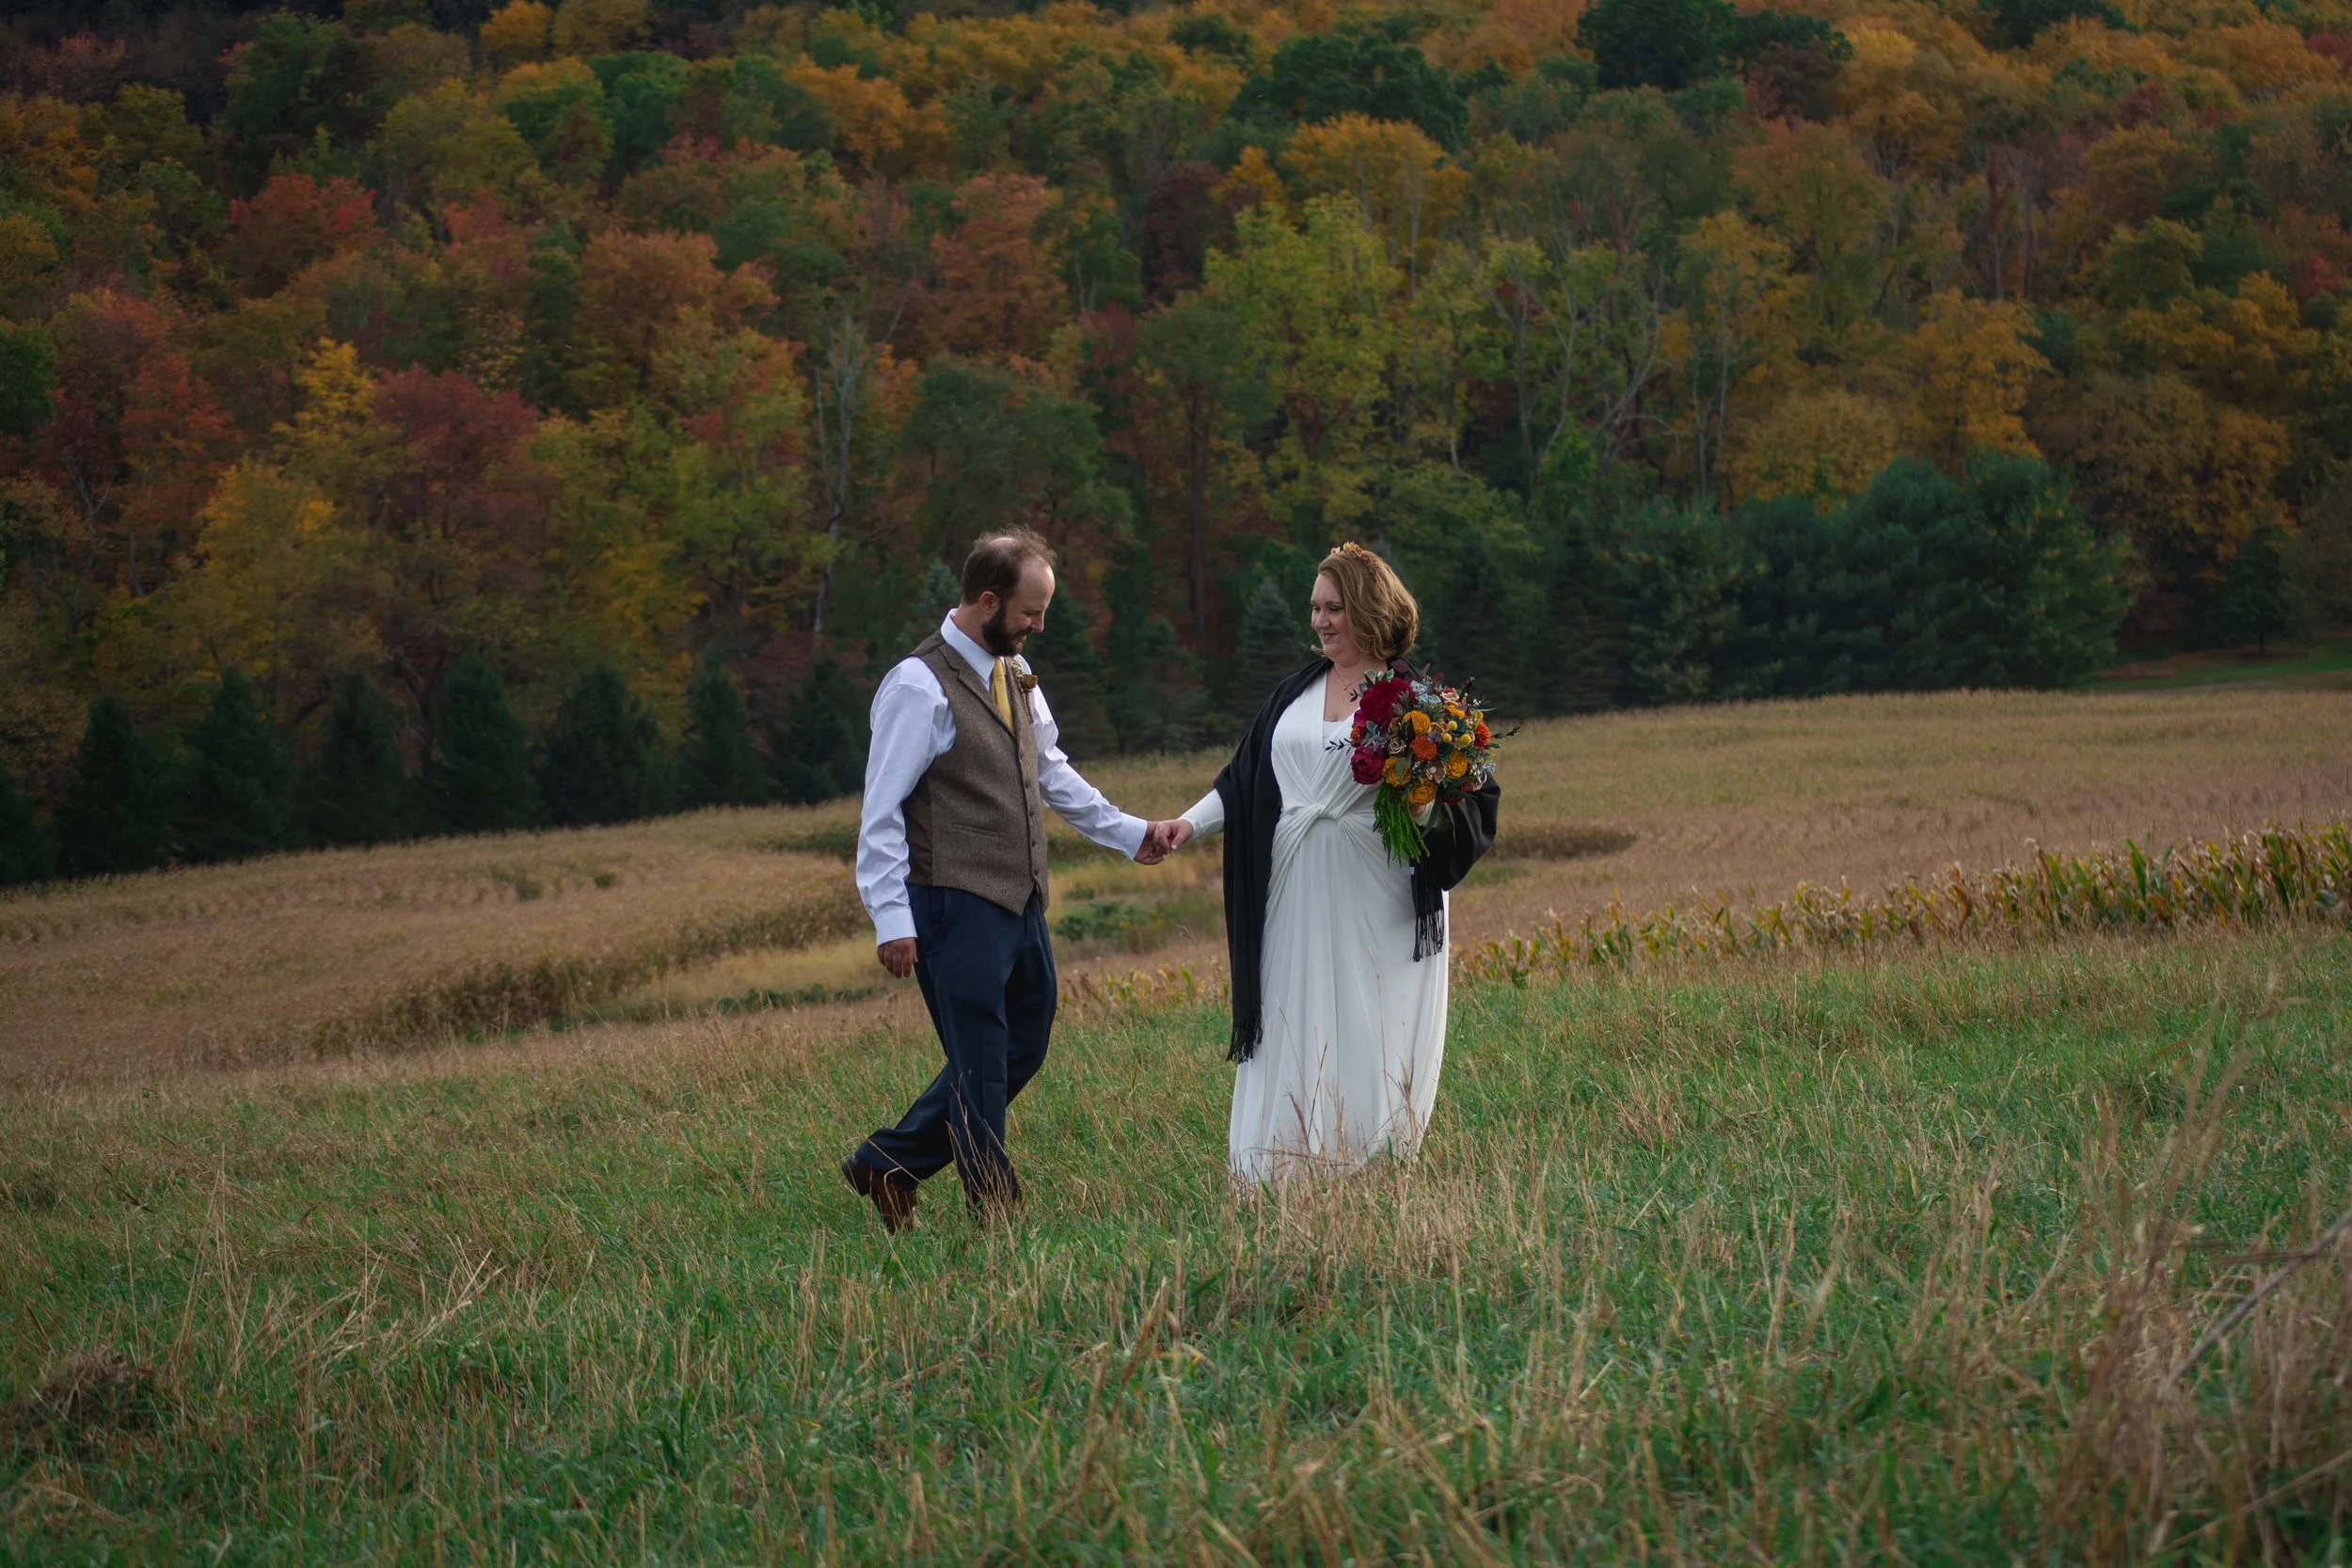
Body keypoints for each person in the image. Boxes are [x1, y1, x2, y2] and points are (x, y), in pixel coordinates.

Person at [843, 530, 1185, 1231]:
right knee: (980, 1063)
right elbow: (879, 813)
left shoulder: (1015, 671)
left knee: (1022, 1042)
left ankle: (887, 1161)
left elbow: (1050, 771)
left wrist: (1129, 833)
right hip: (951, 903)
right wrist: (892, 920)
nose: (1038, 625)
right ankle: (992, 1207)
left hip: (1020, 897)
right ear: (987, 599)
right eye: (1030, 611)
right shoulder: (917, 685)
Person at [1160, 544, 1499, 1184]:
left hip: (1377, 885)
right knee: (1290, 1008)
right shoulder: (1292, 693)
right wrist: (1187, 823)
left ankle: (1362, 1158)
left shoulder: (1413, 699)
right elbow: (1243, 780)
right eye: (1315, 608)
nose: (1321, 621)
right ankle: (1276, 1163)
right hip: (1291, 882)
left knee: (1366, 1011)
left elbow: (1464, 795)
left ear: (1369, 609)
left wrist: (1425, 800)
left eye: (1334, 607)